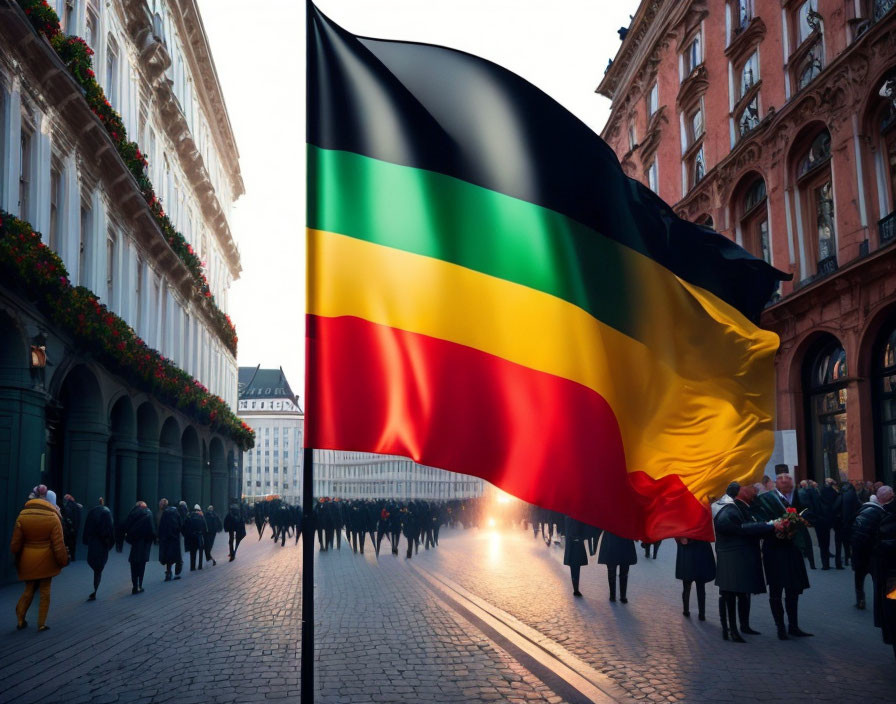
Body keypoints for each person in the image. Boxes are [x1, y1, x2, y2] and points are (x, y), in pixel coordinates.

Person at [753, 471, 813, 639]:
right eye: (781, 480)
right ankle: (780, 627)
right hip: (775, 549)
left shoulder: (799, 497)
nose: (785, 482)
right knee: (776, 590)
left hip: (793, 549)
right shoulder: (767, 499)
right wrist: (777, 526)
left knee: (793, 589)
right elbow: (761, 520)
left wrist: (801, 521)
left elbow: (809, 513)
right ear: (775, 483)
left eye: (788, 480)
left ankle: (793, 625)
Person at [713, 482, 772, 642]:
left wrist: (764, 525)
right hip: (731, 557)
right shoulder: (729, 508)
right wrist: (768, 526)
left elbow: (754, 520)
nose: (756, 490)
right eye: (752, 486)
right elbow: (729, 526)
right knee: (730, 593)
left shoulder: (745, 505)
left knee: (743, 592)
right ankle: (730, 629)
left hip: (741, 556)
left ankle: (744, 625)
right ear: (741, 490)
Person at [10, 489, 69, 631]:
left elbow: (15, 544)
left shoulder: (22, 515)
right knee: (45, 591)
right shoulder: (53, 517)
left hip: (27, 558)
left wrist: (17, 557)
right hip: (46, 560)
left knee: (29, 589)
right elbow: (58, 545)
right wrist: (63, 561)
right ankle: (41, 623)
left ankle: (20, 619)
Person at [852, 486, 894, 610]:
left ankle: (860, 599)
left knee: (859, 577)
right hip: (872, 553)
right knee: (877, 579)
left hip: (859, 551)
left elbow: (854, 530)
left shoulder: (862, 509)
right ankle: (880, 604)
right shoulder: (882, 513)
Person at [675, 536, 715, 620]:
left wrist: (681, 540)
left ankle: (689, 611)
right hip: (697, 555)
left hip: (689, 556)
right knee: (698, 586)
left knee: (689, 586)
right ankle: (700, 614)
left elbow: (678, 536)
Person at [82, 497, 114, 600]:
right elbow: (109, 530)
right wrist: (109, 543)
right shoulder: (106, 512)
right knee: (99, 567)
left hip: (93, 542)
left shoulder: (92, 512)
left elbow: (87, 527)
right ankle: (95, 588)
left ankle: (94, 588)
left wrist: (86, 540)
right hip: (101, 544)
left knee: (93, 563)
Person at [123, 501, 155, 594]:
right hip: (144, 544)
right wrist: (150, 540)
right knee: (142, 565)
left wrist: (131, 540)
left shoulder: (132, 514)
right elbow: (152, 530)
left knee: (133, 565)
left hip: (135, 544)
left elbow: (126, 527)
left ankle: (134, 586)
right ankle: (139, 585)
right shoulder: (148, 514)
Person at [598, 529, 636, 603]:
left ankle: (619, 596)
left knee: (620, 573)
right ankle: (618, 596)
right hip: (617, 543)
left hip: (620, 543)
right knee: (617, 573)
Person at [564, 516, 596, 597]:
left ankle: (576, 589)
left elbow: (586, 530)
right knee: (575, 566)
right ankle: (576, 589)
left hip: (575, 544)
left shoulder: (574, 515)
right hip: (573, 544)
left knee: (575, 566)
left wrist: (579, 537)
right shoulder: (570, 515)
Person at [158, 498, 184, 581]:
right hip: (175, 538)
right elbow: (180, 524)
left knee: (168, 557)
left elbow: (161, 526)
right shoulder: (175, 512)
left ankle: (168, 573)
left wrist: (159, 537)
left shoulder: (163, 513)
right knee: (177, 556)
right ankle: (177, 573)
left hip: (166, 538)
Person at [184, 504, 206, 571]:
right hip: (199, 535)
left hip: (192, 536)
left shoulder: (189, 516)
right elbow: (204, 527)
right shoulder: (201, 517)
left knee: (192, 552)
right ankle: (200, 565)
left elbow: (185, 527)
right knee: (200, 551)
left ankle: (192, 567)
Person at [61, 494, 82, 561]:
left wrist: (69, 526)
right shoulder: (77, 506)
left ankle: (68, 556)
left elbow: (68, 517)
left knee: (67, 542)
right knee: (73, 543)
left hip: (69, 528)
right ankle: (73, 557)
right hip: (75, 528)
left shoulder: (68, 507)